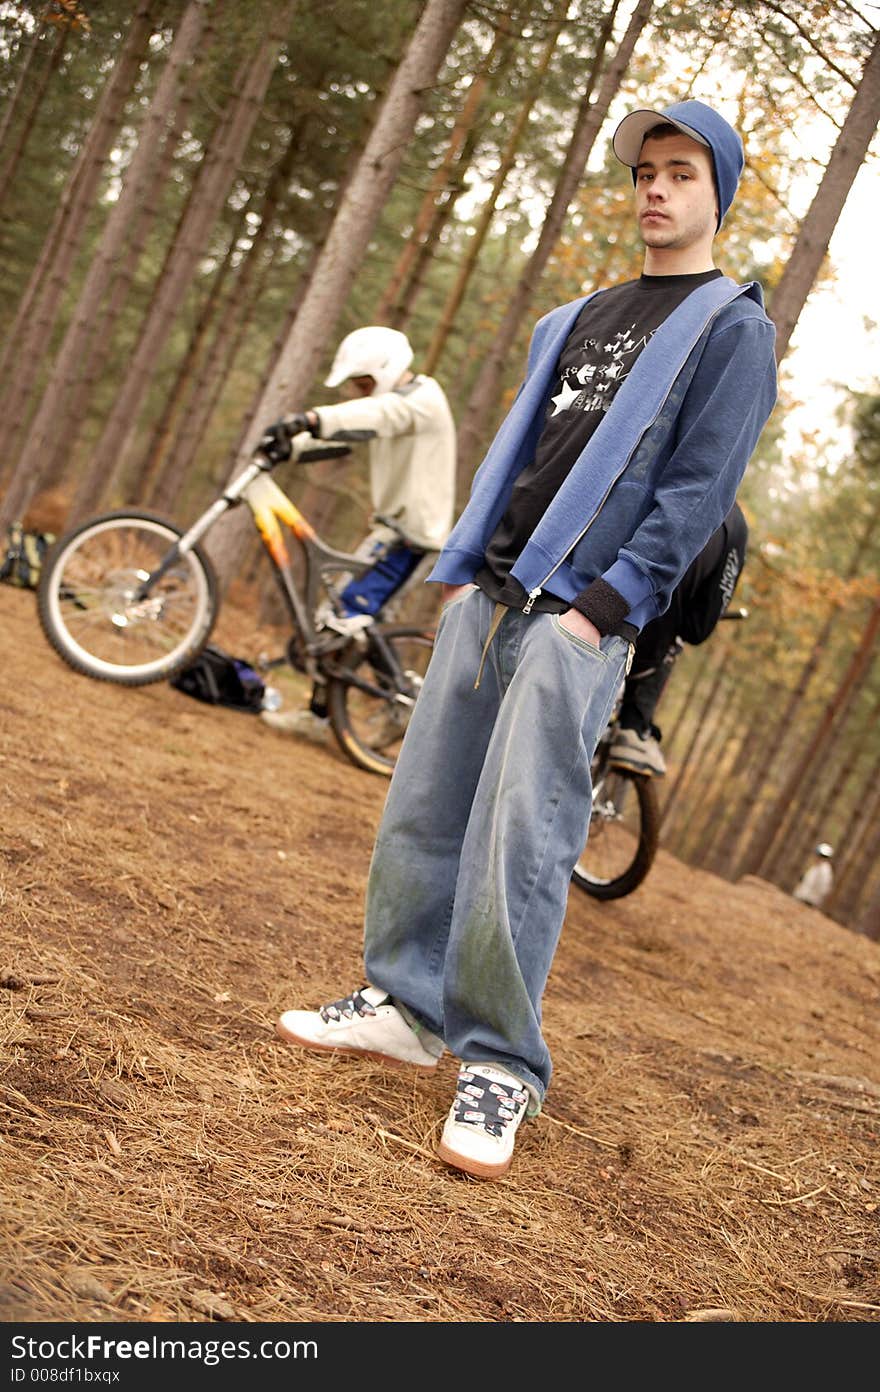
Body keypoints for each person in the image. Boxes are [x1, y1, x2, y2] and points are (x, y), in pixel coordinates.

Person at [274, 99, 778, 1179]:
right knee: (424, 811)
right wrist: (462, 573)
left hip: (579, 617)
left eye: (681, 172)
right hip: (492, 593)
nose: (655, 188)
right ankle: (408, 1008)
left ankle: (500, 1064)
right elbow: (521, 457)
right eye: (645, 170)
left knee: (525, 837)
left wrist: (606, 606)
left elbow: (696, 492)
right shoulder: (583, 315)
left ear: (715, 193)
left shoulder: (731, 329)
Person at [257, 325, 456, 742]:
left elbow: (375, 416)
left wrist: (311, 418)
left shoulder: (422, 401)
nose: (362, 392)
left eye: (365, 382)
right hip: (394, 532)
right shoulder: (397, 405)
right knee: (351, 618)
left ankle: (354, 710)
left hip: (410, 536)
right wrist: (291, 447)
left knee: (345, 613)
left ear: (386, 370)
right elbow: (348, 438)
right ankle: (387, 700)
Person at [609, 500, 748, 776]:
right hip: (640, 637)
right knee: (675, 636)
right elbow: (698, 628)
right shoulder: (734, 524)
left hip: (580, 593)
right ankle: (632, 730)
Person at [793, 843, 834, 909]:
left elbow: (823, 888)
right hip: (802, 898)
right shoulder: (816, 867)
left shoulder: (825, 870)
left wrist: (813, 897)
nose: (816, 857)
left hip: (808, 901)